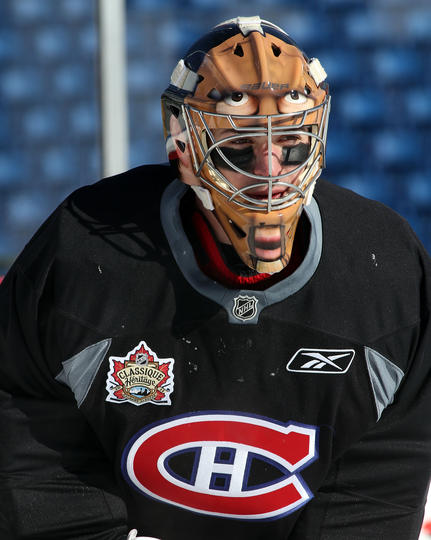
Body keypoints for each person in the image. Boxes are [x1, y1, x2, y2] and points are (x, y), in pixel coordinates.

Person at [0, 14, 431, 540]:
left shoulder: (383, 271)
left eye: (291, 144)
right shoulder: (82, 258)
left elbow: (380, 480)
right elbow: (32, 446)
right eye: (240, 149)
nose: (271, 172)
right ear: (182, 148)